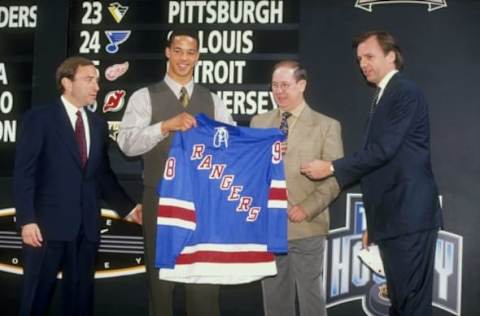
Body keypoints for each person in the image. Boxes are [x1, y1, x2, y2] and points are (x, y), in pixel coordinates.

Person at [300, 31, 443, 316]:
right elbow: (383, 165)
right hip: (395, 219)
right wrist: (376, 224)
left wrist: (330, 167)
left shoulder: (404, 91)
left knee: (411, 304)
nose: (363, 64)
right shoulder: (384, 94)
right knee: (402, 303)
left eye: (369, 56)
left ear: (391, 56)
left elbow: (383, 151)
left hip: (409, 217)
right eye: (359, 59)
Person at [117, 29, 235, 316]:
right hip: (159, 197)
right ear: (168, 52)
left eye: (190, 52)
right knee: (160, 283)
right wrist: (165, 126)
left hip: (203, 201)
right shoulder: (145, 97)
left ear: (198, 57)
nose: (184, 58)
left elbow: (230, 147)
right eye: (178, 50)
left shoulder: (213, 101)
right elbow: (127, 145)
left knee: (204, 283)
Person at [13, 56, 142, 316]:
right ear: (66, 82)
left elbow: (102, 175)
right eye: (89, 79)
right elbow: (24, 173)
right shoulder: (39, 119)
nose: (97, 85)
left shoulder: (97, 124)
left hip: (86, 231)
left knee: (80, 304)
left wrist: (128, 208)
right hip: (45, 230)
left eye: (97, 80)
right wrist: (27, 220)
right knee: (35, 300)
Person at [250, 60, 343, 316]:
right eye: (274, 85)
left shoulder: (327, 127)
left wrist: (307, 208)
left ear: (302, 85)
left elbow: (335, 180)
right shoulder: (258, 123)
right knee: (275, 301)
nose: (279, 91)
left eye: (285, 85)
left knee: (311, 300)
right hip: (269, 228)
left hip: (307, 227)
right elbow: (249, 173)